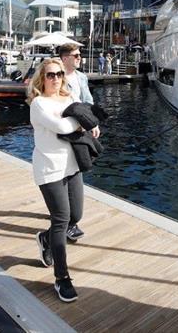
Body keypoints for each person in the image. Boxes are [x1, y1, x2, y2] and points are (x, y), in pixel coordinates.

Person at [28, 58, 94, 303]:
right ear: (42, 79)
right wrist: (81, 122)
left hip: (72, 165)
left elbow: (88, 115)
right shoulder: (38, 103)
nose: (55, 78)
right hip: (49, 169)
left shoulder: (68, 99)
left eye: (58, 74)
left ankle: (45, 239)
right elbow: (61, 126)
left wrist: (86, 123)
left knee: (75, 216)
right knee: (61, 219)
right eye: (50, 75)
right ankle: (62, 278)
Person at [57, 43, 96, 242]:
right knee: (63, 173)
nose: (80, 57)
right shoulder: (55, 77)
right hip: (62, 131)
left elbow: (87, 101)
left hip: (79, 130)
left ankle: (68, 217)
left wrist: (92, 121)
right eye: (76, 55)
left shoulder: (81, 77)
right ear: (65, 58)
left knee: (78, 167)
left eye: (79, 55)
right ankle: (67, 220)